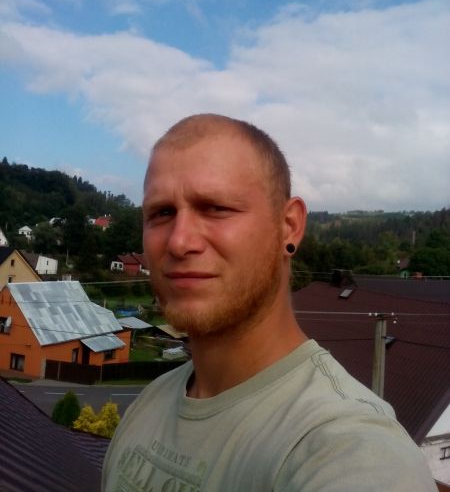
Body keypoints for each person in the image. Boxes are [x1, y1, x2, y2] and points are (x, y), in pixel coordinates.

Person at [102, 114, 437, 492]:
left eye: (216, 208)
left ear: (289, 226)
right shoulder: (151, 402)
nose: (179, 242)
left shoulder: (350, 449)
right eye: (161, 213)